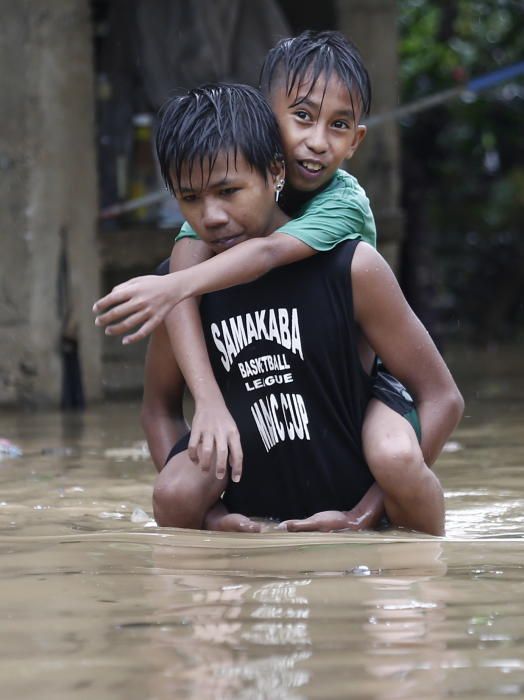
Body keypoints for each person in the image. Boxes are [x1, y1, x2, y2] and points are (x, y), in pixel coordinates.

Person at [93, 32, 460, 529]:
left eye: (229, 191)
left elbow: (265, 252)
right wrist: (212, 504)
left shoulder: (345, 228)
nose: (214, 215)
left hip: (359, 396)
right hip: (255, 449)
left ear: (273, 173)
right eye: (303, 116)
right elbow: (159, 404)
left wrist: (361, 517)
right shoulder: (195, 256)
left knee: (394, 454)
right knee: (176, 490)